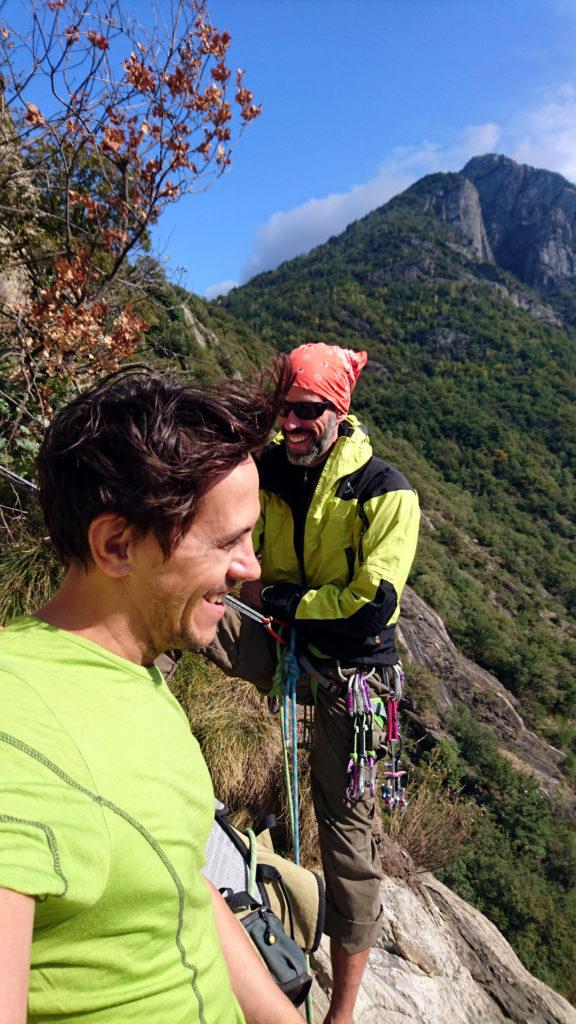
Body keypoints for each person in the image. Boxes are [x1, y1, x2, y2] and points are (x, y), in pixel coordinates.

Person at [0, 366, 304, 1024]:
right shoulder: (16, 721)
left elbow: (176, 876)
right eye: (228, 541)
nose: (253, 567)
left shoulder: (137, 669)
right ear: (116, 544)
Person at [208, 342, 420, 1024]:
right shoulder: (266, 467)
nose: (292, 426)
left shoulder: (386, 492)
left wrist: (292, 602)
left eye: (308, 412)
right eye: (285, 411)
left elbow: (374, 602)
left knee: (348, 840)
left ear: (338, 411)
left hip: (352, 674)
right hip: (279, 640)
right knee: (175, 614)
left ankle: (344, 1011)